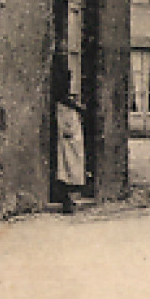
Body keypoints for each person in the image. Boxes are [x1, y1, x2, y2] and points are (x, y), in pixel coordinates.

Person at [52, 58, 84, 214]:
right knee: (67, 163)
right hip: (67, 132)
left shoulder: (66, 105)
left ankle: (69, 198)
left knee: (69, 162)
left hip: (69, 131)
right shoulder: (63, 106)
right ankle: (67, 199)